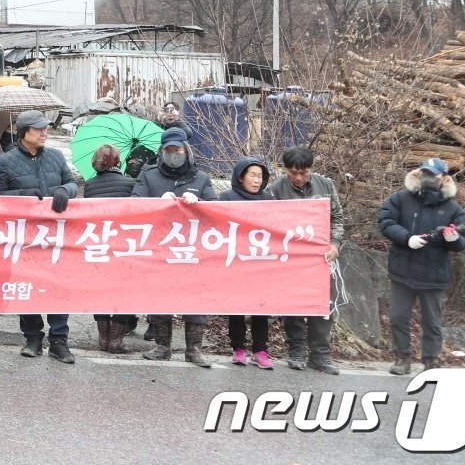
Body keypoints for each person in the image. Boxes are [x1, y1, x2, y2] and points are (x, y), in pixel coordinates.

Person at [0, 110, 78, 363]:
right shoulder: (6, 161)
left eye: (46, 128)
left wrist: (66, 189)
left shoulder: (55, 156)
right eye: (39, 129)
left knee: (58, 287)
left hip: (55, 236)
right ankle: (33, 338)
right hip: (24, 238)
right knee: (27, 286)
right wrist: (22, 193)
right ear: (24, 132)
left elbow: (73, 183)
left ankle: (59, 341)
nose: (45, 133)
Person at [131, 126, 217, 366]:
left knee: (196, 298)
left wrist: (199, 203)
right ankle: (162, 347)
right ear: (161, 152)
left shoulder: (200, 178)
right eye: (168, 150)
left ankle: (194, 350)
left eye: (177, 150)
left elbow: (216, 210)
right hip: (160, 248)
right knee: (160, 296)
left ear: (186, 151)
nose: (173, 154)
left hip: (193, 250)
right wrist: (156, 203)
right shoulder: (148, 175)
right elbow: (134, 203)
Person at [378, 157, 465, 375]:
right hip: (403, 270)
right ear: (420, 174)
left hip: (434, 273)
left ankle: (431, 360)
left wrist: (453, 239)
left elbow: (464, 242)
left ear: (444, 178)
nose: (429, 178)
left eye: (434, 174)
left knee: (432, 321)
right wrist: (406, 237)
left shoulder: (453, 208)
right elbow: (385, 222)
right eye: (426, 173)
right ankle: (402, 358)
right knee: (398, 317)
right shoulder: (400, 198)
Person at [266, 146, 344, 374]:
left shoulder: (326, 185)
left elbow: (337, 217)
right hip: (291, 258)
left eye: (304, 173)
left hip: (321, 258)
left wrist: (335, 244)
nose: (299, 178)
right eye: (293, 173)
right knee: (293, 305)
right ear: (286, 170)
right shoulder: (277, 189)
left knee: (322, 307)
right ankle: (296, 351)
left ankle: (320, 355)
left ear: (311, 169)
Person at [81, 143, 138, 354]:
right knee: (123, 292)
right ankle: (116, 341)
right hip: (125, 246)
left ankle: (103, 339)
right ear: (118, 161)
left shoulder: (90, 185)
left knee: (101, 292)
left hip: (99, 246)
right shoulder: (131, 183)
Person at [219, 156, 275, 369]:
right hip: (235, 261)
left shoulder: (269, 200)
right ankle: (238, 348)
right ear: (240, 176)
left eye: (260, 176)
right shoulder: (227, 198)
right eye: (252, 175)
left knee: (261, 307)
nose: (256, 180)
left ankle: (260, 350)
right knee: (237, 307)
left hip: (260, 262)